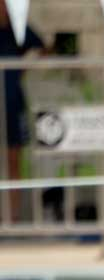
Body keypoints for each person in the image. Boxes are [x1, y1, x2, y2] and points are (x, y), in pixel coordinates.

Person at [0, 1, 44, 226]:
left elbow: (42, 47)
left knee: (13, 159)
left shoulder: (18, 28)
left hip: (12, 103)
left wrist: (22, 67)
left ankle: (13, 216)